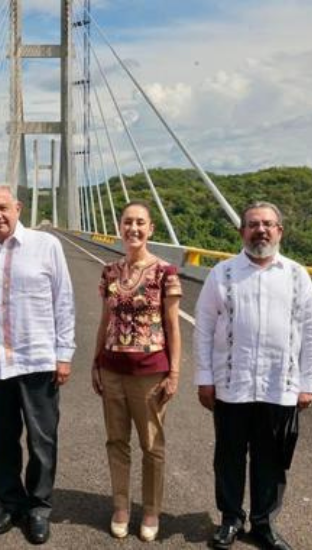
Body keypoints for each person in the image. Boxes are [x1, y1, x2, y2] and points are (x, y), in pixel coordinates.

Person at [194, 201, 312, 550]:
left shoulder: (297, 275)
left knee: (272, 459)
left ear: (279, 230)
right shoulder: (223, 273)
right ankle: (231, 519)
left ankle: (264, 523)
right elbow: (203, 328)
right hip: (231, 385)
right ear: (242, 232)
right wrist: (205, 377)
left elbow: (310, 331)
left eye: (267, 224)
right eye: (252, 224)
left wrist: (307, 382)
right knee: (229, 455)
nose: (260, 230)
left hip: (279, 385)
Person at [0, 182, 75, 545]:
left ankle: (38, 507)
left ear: (18, 207)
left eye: (3, 208)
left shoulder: (46, 246)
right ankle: (9, 502)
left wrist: (64, 354)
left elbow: (63, 302)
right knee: (0, 440)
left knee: (42, 440)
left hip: (37, 360)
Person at [91, 200, 182, 542]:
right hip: (112, 369)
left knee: (152, 445)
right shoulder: (110, 271)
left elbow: (173, 328)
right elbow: (105, 320)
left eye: (140, 223)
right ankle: (120, 507)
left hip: (150, 373)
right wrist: (96, 362)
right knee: (116, 441)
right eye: (128, 222)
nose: (133, 228)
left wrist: (174, 374)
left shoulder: (165, 272)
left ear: (151, 229)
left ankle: (152, 510)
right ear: (119, 226)